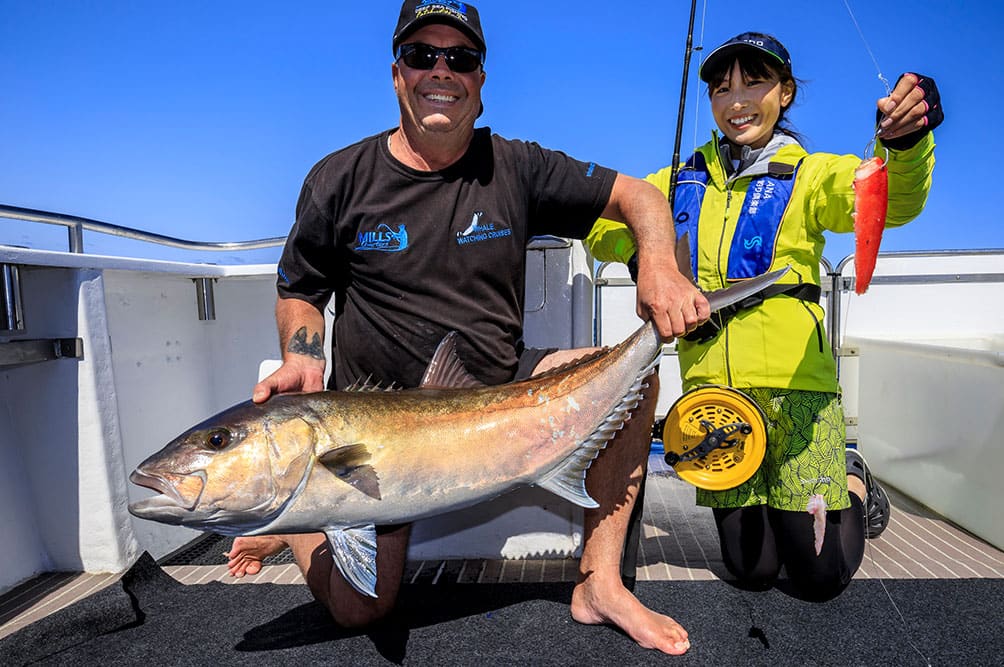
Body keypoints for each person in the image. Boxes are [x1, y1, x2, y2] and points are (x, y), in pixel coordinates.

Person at [226, 1, 708, 656]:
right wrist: (302, 354)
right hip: (378, 425)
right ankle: (300, 518)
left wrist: (658, 265)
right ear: (397, 74)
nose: (441, 70)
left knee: (633, 375)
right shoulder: (338, 179)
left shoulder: (516, 166)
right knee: (359, 609)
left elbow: (641, 196)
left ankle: (599, 580)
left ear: (480, 81)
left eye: (461, 58)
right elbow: (300, 289)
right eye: (423, 55)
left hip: (500, 386)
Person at [586, 32, 941, 601]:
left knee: (819, 577)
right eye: (722, 89)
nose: (737, 100)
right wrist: (647, 258)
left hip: (799, 393)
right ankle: (785, 510)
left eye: (755, 82)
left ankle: (849, 473)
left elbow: (891, 202)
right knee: (751, 571)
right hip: (715, 398)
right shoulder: (672, 182)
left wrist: (908, 143)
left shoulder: (814, 174)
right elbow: (604, 229)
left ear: (786, 93)